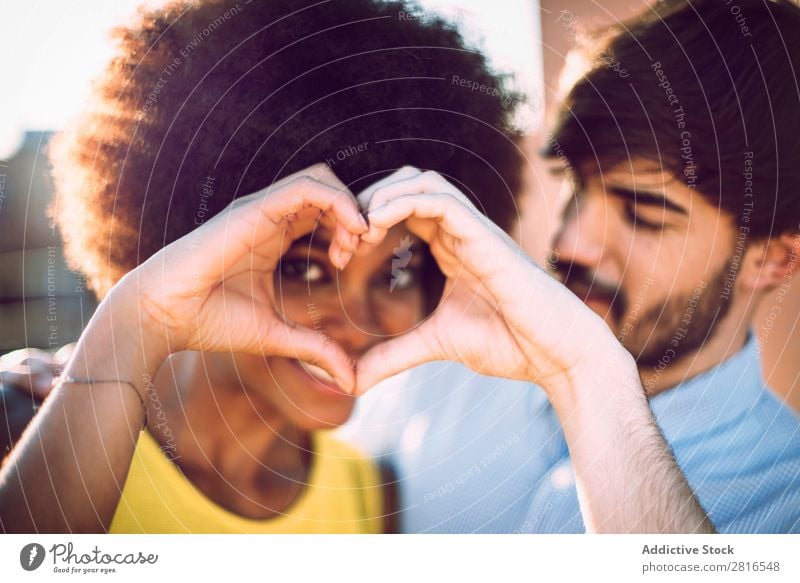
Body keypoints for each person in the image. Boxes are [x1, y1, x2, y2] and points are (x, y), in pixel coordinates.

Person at [0, 0, 524, 533]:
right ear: (193, 250)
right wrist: (129, 331)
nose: (360, 321)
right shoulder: (28, 431)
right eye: (306, 269)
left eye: (397, 273)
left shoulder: (370, 496)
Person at [338, 0, 800, 533]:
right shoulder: (442, 370)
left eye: (643, 215)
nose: (573, 242)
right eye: (576, 187)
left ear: (771, 259)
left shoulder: (783, 509)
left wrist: (586, 376)